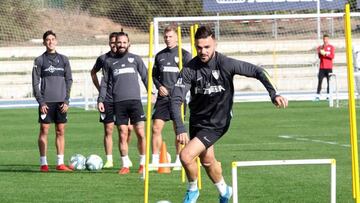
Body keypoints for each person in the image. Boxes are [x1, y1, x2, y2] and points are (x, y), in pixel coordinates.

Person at [170, 25, 288, 203]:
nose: (203, 51)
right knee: (208, 160)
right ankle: (225, 191)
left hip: (218, 122)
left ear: (215, 44)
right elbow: (175, 98)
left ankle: (193, 190)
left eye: (207, 47)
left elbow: (258, 71)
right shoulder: (189, 69)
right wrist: (180, 127)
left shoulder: (225, 63)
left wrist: (274, 93)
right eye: (199, 47)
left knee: (186, 156)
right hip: (197, 120)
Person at [98, 31, 148, 175]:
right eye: (119, 42)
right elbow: (105, 83)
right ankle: (125, 164)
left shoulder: (136, 59)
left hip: (135, 101)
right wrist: (101, 100)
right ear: (115, 43)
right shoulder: (108, 62)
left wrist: (152, 92)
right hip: (118, 102)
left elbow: (145, 77)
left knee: (140, 132)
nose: (121, 45)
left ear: (128, 43)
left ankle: (142, 163)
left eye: (124, 42)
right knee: (122, 133)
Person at [151, 25, 192, 170]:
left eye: (170, 36)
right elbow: (154, 75)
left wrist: (180, 90)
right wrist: (159, 86)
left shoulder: (185, 55)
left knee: (178, 130)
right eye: (166, 37)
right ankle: (155, 160)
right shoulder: (160, 55)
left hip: (178, 98)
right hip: (163, 98)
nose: (168, 39)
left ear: (176, 37)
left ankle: (178, 160)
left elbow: (189, 77)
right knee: (155, 128)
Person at [32, 30, 73, 172]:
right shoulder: (39, 60)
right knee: (44, 130)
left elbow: (69, 80)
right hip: (46, 103)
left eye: (53, 39)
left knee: (60, 130)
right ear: (44, 42)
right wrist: (41, 102)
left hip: (61, 102)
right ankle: (43, 163)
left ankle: (60, 163)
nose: (50, 41)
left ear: (56, 41)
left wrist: (67, 100)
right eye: (47, 39)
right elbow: (35, 82)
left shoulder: (64, 59)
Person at [91, 32, 133, 169]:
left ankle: (126, 155)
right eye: (112, 42)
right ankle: (109, 159)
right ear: (109, 43)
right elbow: (93, 72)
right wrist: (99, 90)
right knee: (109, 129)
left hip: (122, 98)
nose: (115, 45)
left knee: (128, 129)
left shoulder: (125, 57)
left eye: (117, 42)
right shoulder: (103, 59)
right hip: (108, 99)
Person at [315, 34, 335, 101]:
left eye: (326, 39)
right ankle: (317, 96)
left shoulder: (331, 47)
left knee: (329, 82)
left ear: (328, 39)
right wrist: (320, 53)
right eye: (324, 39)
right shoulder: (320, 47)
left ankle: (328, 96)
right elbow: (319, 57)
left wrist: (326, 54)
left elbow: (332, 56)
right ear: (323, 39)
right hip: (322, 67)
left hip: (329, 67)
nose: (325, 40)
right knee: (320, 81)